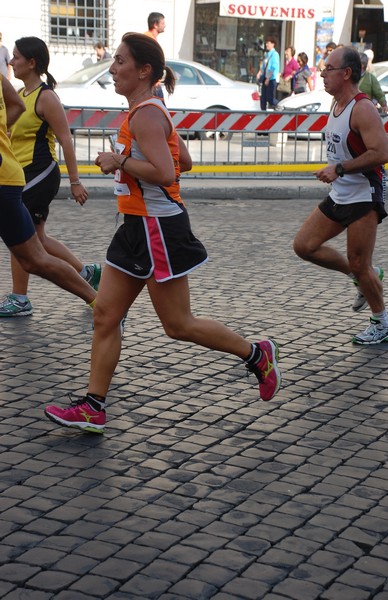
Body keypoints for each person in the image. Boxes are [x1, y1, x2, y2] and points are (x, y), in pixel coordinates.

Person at [44, 32, 281, 434]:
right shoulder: (146, 111)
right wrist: (137, 162)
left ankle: (257, 354)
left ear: (144, 70)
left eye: (120, 62)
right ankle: (93, 407)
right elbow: (182, 158)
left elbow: (169, 171)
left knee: (178, 325)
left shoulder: (147, 114)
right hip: (136, 225)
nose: (113, 69)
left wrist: (119, 161)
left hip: (157, 228)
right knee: (105, 314)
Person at [293, 45, 388, 345]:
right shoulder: (336, 103)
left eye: (328, 69)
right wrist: (337, 170)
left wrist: (339, 168)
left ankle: (384, 323)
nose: (322, 74)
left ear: (347, 73)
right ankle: (364, 274)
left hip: (365, 195)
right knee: (304, 245)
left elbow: (382, 153)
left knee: (358, 261)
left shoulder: (363, 107)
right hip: (341, 193)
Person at [0, 36, 101, 318]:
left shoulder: (46, 97)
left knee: (20, 238)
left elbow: (66, 140)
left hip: (40, 173)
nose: (11, 61)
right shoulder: (20, 95)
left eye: (17, 57)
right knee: (38, 240)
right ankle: (86, 271)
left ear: (32, 63)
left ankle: (20, 298)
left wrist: (75, 181)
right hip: (20, 171)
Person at [257, 37, 280, 110]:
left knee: (270, 98)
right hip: (265, 78)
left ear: (273, 44)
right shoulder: (267, 54)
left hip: (271, 79)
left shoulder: (275, 54)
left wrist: (268, 78)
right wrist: (259, 73)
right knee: (263, 98)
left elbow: (273, 67)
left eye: (268, 43)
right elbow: (264, 66)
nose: (267, 45)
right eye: (266, 43)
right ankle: (263, 113)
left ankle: (280, 106)